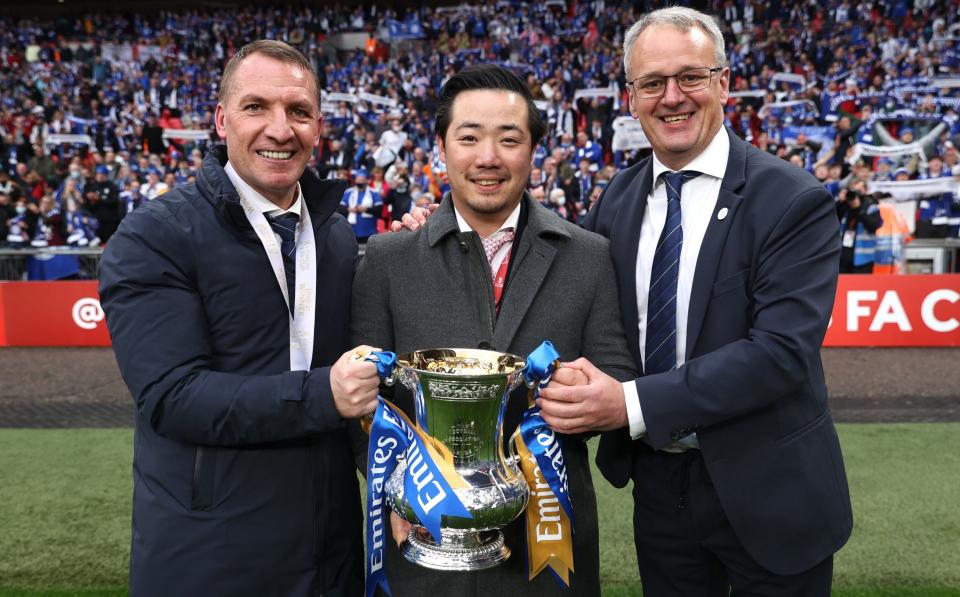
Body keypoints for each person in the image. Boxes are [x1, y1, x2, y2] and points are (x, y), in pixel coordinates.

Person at [536, 8, 852, 596]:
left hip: (773, 492)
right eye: (652, 83)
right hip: (660, 491)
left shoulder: (792, 199)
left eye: (691, 77)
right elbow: (557, 283)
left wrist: (627, 404)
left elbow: (780, 354)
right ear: (631, 98)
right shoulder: (618, 199)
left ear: (725, 83)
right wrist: (445, 229)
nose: (672, 97)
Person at [98, 40, 381, 597]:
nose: (281, 129)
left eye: (298, 112)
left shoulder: (336, 237)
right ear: (222, 119)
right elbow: (172, 396)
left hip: (333, 557)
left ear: (318, 126)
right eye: (257, 107)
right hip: (210, 560)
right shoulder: (156, 236)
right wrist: (323, 394)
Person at [352, 64, 636, 597]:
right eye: (469, 138)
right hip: (422, 549)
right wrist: (394, 494)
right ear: (441, 148)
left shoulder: (588, 255)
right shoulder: (389, 259)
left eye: (509, 139)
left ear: (533, 151)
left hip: (549, 551)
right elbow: (360, 398)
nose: (488, 157)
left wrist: (592, 396)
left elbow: (616, 374)